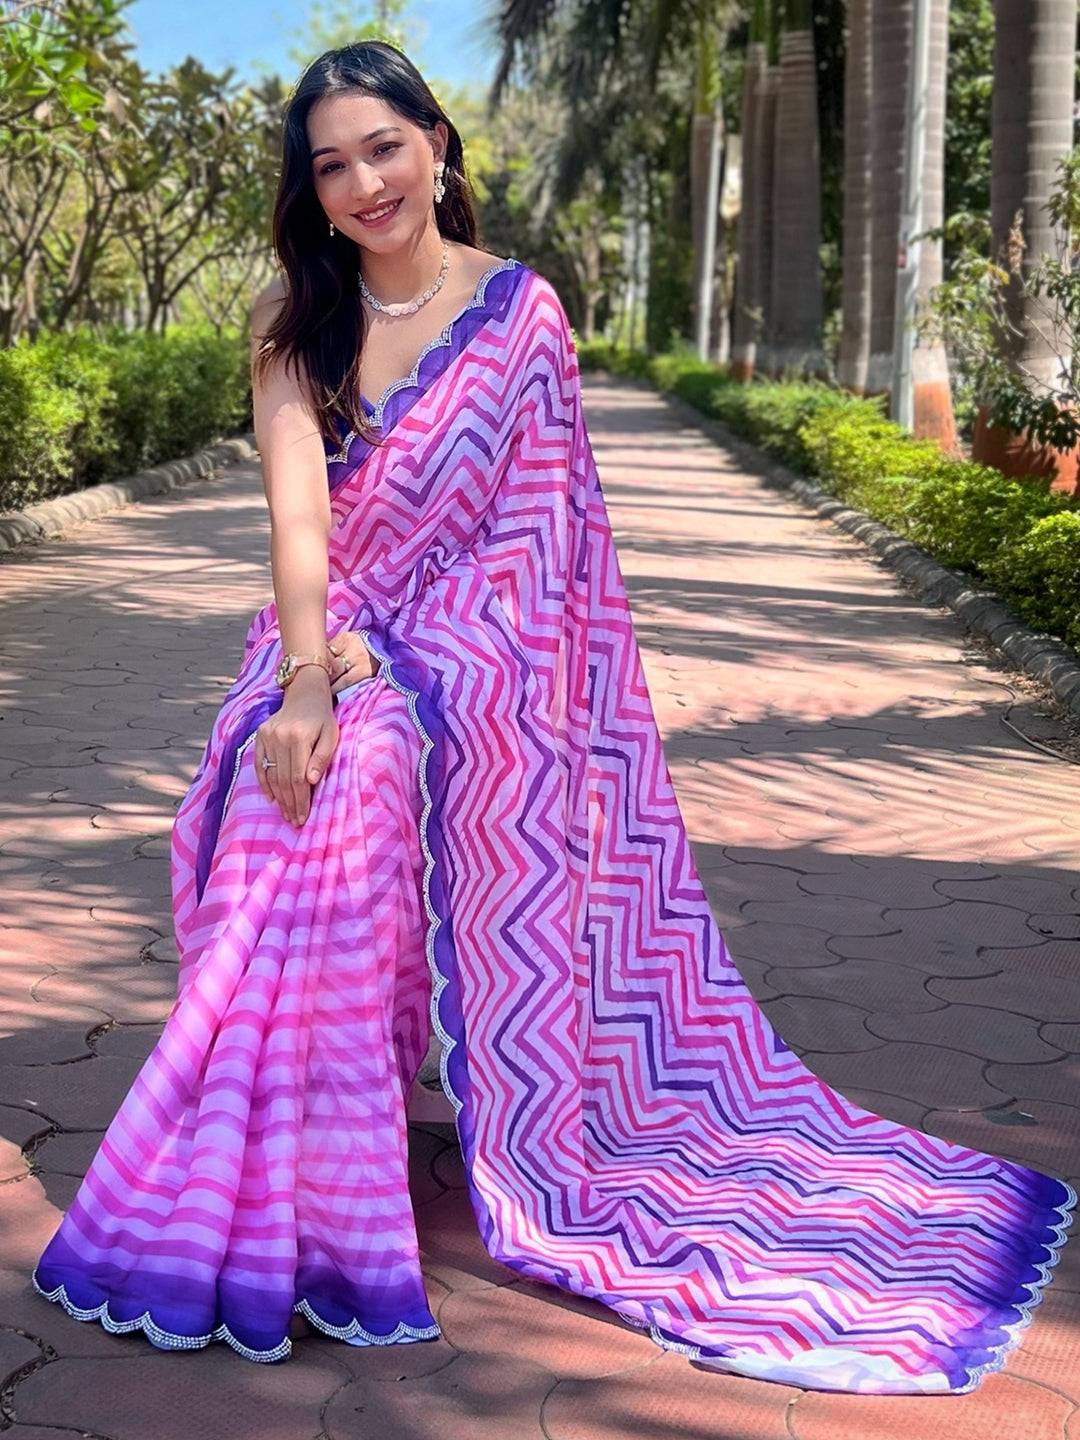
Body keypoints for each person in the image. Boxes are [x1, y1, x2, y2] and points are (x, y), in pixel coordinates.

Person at [31, 40, 1076, 1395]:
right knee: (310, 771)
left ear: (437, 147)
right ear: (312, 190)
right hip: (318, 641)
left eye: (383, 148)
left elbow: (537, 553)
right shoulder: (295, 322)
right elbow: (301, 522)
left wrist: (404, 667)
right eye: (332, 165)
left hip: (475, 655)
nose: (364, 183)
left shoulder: (521, 312)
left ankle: (326, 1171)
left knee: (368, 765)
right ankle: (275, 1165)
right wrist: (307, 676)